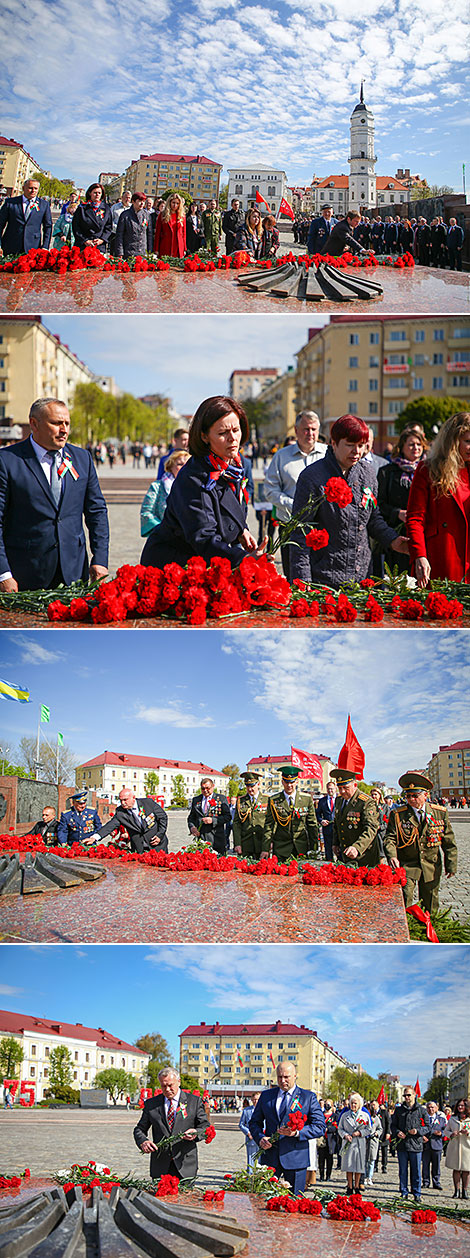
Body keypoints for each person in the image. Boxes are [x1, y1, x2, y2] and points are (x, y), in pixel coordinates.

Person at [140, 396, 265, 570]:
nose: (232, 438)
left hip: (204, 559)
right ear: (204, 436)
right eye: (223, 433)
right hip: (174, 564)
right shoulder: (194, 477)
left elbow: (228, 509)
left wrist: (241, 530)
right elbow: (204, 537)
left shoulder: (232, 465)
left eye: (236, 430)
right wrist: (244, 559)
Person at [0, 398, 109, 592]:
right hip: (25, 574)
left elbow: (97, 511)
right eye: (56, 423)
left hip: (74, 573)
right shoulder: (7, 461)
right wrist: (3, 574)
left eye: (67, 423)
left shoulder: (82, 459)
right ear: (34, 423)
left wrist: (100, 558)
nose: (64, 429)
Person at [290, 414, 407, 588]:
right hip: (324, 578)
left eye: (361, 446)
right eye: (350, 445)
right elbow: (300, 532)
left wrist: (393, 540)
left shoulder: (367, 473)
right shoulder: (312, 477)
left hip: (362, 577)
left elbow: (373, 519)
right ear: (334, 443)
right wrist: (303, 580)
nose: (357, 451)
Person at [406, 411, 470, 586]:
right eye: (467, 442)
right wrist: (419, 555)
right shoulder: (427, 469)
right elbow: (415, 518)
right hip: (440, 558)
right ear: (452, 441)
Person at [263, 411, 327, 577]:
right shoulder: (281, 457)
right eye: (306, 429)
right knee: (294, 576)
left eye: (314, 429)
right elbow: (270, 490)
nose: (310, 433)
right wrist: (293, 504)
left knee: (322, 577)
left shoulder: (329, 455)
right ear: (296, 430)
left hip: (322, 527)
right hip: (290, 526)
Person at [384, 771, 457, 914]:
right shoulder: (398, 814)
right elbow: (390, 838)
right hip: (407, 864)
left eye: (415, 796)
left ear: (425, 795)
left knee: (430, 900)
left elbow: (449, 841)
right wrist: (392, 856)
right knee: (404, 898)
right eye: (408, 796)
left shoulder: (439, 813)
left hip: (431, 864)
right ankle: (405, 928)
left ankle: (428, 930)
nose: (411, 799)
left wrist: (451, 864)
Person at [249, 1061, 325, 1194]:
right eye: (279, 1077)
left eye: (286, 1077)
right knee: (264, 1201)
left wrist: (297, 1133)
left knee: (294, 1203)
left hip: (296, 1158)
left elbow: (319, 1127)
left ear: (295, 1076)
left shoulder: (308, 1097)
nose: (282, 1080)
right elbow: (254, 1122)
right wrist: (260, 1138)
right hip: (270, 1158)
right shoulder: (266, 1096)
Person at [133, 1067, 209, 1181]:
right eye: (163, 1086)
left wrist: (196, 1133)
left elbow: (205, 1127)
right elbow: (139, 1129)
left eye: (170, 1085)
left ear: (179, 1082)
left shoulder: (194, 1101)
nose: (167, 1089)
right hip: (160, 1166)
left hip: (185, 1166)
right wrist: (143, 1141)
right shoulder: (151, 1104)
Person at [377, 426, 428, 574]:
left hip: (424, 534)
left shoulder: (429, 471)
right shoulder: (387, 472)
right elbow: (378, 505)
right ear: (402, 447)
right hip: (398, 535)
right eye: (411, 444)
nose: (416, 448)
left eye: (419, 445)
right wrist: (397, 513)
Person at [263, 765, 319, 861]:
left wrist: (314, 849)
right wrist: (265, 848)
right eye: (286, 782)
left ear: (297, 782)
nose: (289, 785)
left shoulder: (306, 799)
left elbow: (312, 825)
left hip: (301, 847)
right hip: (281, 848)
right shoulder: (274, 800)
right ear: (282, 782)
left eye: (292, 782)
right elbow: (269, 825)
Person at [330, 768, 381, 868]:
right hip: (346, 853)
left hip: (364, 855)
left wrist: (357, 847)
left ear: (355, 785)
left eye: (346, 788)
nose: (342, 791)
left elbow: (371, 828)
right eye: (340, 788)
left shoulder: (366, 802)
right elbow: (337, 823)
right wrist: (335, 843)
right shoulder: (339, 800)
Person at [91, 787, 168, 853]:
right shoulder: (120, 812)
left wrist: (159, 835)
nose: (123, 803)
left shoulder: (148, 803)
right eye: (120, 800)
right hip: (139, 849)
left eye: (125, 800)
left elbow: (163, 818)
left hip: (157, 845)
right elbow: (110, 826)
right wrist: (94, 837)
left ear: (133, 798)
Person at [391, 1086, 430, 1202]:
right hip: (402, 1145)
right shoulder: (399, 1110)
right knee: (403, 1170)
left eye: (409, 1095)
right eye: (405, 1095)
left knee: (416, 1171)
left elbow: (428, 1126)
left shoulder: (421, 1110)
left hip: (416, 1144)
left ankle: (416, 1193)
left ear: (414, 1095)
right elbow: (393, 1126)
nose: (407, 1098)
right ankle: (404, 1191)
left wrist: (418, 1131)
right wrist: (397, 1132)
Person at [140, 449, 190, 536]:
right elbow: (146, 513)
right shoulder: (157, 487)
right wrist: (163, 530)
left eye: (187, 465)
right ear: (170, 467)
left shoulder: (197, 487)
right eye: (179, 464)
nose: (184, 467)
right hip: (165, 539)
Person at [0, 178, 52, 256]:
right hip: (11, 245)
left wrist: (45, 246)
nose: (33, 190)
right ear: (24, 188)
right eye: (30, 188)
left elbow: (48, 226)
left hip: (33, 247)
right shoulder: (10, 203)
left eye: (35, 188)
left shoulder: (44, 205)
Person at [187, 777, 232, 855]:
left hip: (216, 839)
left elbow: (228, 817)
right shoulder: (196, 800)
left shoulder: (221, 799)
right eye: (203, 788)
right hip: (201, 839)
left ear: (213, 786)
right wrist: (192, 827)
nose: (205, 790)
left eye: (207, 788)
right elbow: (191, 817)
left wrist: (213, 820)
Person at [338, 1094, 372, 1193]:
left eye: (355, 1103)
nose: (353, 1105)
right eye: (352, 1103)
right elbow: (340, 1128)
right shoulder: (345, 1116)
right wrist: (345, 1135)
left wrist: (360, 1132)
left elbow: (369, 1129)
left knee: (358, 1166)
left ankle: (357, 1186)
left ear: (359, 1104)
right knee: (349, 1165)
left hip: (359, 1143)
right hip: (348, 1142)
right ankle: (349, 1186)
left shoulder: (364, 1115)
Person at [232, 772, 269, 858]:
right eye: (247, 786)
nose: (250, 789)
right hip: (246, 844)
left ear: (258, 784)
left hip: (262, 843)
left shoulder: (267, 799)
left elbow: (270, 824)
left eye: (252, 786)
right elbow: (236, 824)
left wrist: (269, 843)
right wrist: (237, 844)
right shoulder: (240, 801)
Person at [72, 183, 113, 253]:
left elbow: (108, 227)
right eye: (95, 193)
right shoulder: (82, 208)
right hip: (84, 245)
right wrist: (85, 240)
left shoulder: (106, 208)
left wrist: (102, 239)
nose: (97, 195)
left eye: (99, 193)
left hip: (99, 246)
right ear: (90, 193)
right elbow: (76, 226)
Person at [444, 1098, 470, 1199]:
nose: (460, 1107)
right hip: (455, 1146)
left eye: (462, 1106)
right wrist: (451, 1134)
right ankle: (456, 1191)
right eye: (459, 1105)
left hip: (467, 1147)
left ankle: (465, 1191)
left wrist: (468, 1133)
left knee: (466, 1170)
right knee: (456, 1169)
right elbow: (445, 1131)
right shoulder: (452, 1118)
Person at [114, 192, 148, 258]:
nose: (142, 203)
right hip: (129, 252)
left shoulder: (146, 215)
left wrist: (149, 251)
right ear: (133, 201)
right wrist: (120, 252)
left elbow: (148, 234)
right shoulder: (125, 215)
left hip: (142, 252)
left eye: (143, 201)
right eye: (140, 201)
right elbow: (119, 235)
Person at [422, 1100, 446, 1191]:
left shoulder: (441, 1119)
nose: (431, 1109)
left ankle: (436, 1182)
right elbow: (419, 1129)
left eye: (433, 1107)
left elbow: (446, 1131)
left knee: (436, 1166)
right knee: (425, 1165)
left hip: (437, 1145)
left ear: (436, 1108)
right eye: (429, 1107)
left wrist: (441, 1133)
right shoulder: (423, 1119)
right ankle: (426, 1182)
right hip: (426, 1145)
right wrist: (422, 1136)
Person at [153, 193, 186, 258]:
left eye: (177, 203)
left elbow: (183, 233)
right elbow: (158, 233)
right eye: (173, 202)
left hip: (178, 246)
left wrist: (184, 248)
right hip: (165, 245)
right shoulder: (162, 215)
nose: (175, 205)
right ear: (169, 202)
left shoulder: (182, 216)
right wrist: (156, 249)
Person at [316, 780, 337, 862]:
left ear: (335, 789)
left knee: (339, 848)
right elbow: (317, 814)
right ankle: (329, 864)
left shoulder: (340, 799)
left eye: (332, 789)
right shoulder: (322, 801)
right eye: (328, 789)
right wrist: (321, 821)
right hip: (327, 828)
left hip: (337, 828)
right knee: (328, 848)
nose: (330, 791)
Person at [239, 1092, 261, 1170]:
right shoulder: (246, 1111)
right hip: (250, 1139)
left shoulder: (264, 1110)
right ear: (251, 1100)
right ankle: (250, 1176)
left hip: (262, 1139)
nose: (256, 1101)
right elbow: (241, 1124)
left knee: (261, 1160)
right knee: (251, 1159)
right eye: (254, 1099)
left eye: (258, 1099)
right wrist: (248, 1133)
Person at [364, 1100, 382, 1186]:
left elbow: (380, 1128)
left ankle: (369, 1177)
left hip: (373, 1141)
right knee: (364, 1160)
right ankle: (364, 1176)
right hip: (364, 1141)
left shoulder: (376, 1118)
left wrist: (376, 1133)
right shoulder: (363, 1118)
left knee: (371, 1160)